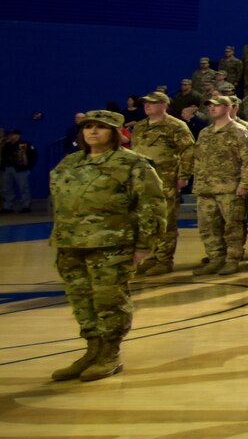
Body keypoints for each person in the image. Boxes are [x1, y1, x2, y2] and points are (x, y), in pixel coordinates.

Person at [47, 109, 168, 383]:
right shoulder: (69, 163)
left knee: (109, 300)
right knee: (81, 300)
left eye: (100, 127)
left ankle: (110, 353)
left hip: (111, 244)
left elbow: (152, 205)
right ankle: (92, 350)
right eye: (88, 126)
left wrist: (144, 245)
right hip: (71, 243)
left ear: (115, 133)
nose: (92, 131)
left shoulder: (133, 164)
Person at [127, 90, 194, 274]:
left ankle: (164, 259)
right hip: (142, 181)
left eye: (152, 103)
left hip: (165, 179)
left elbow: (188, 151)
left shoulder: (175, 126)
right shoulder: (140, 126)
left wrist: (184, 175)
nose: (147, 106)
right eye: (145, 103)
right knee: (147, 220)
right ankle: (151, 257)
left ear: (164, 105)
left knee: (166, 221)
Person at [190, 95, 248, 276]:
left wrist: (244, 184)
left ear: (228, 108)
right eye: (210, 106)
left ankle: (232, 259)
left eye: (217, 106)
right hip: (206, 188)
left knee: (232, 226)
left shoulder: (239, 131)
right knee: (207, 227)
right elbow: (198, 160)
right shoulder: (206, 132)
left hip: (229, 188)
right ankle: (215, 259)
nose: (212, 109)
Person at [1, 129, 35, 211]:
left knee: (23, 187)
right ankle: (8, 206)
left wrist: (28, 166)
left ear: (17, 135)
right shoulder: (6, 145)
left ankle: (26, 206)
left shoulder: (24, 144)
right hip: (7, 168)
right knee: (7, 188)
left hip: (21, 169)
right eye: (9, 135)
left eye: (12, 135)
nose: (10, 136)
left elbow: (33, 155)